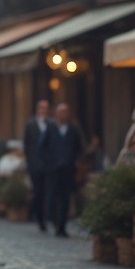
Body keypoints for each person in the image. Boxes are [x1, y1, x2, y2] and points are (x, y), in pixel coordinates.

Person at [38, 103, 83, 237]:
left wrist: (72, 160)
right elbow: (41, 147)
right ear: (56, 114)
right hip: (53, 170)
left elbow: (78, 148)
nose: (63, 115)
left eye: (66, 112)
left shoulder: (73, 129)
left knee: (65, 198)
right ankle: (53, 220)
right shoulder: (51, 128)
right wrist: (49, 162)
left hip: (67, 170)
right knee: (52, 197)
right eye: (61, 112)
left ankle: (62, 226)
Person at [23, 100, 50, 229]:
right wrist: (30, 163)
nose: (43, 111)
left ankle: (49, 216)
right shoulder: (30, 124)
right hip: (35, 164)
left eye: (46, 108)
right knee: (38, 191)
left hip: (49, 165)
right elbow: (27, 145)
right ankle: (40, 218)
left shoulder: (51, 124)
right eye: (41, 108)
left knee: (49, 192)